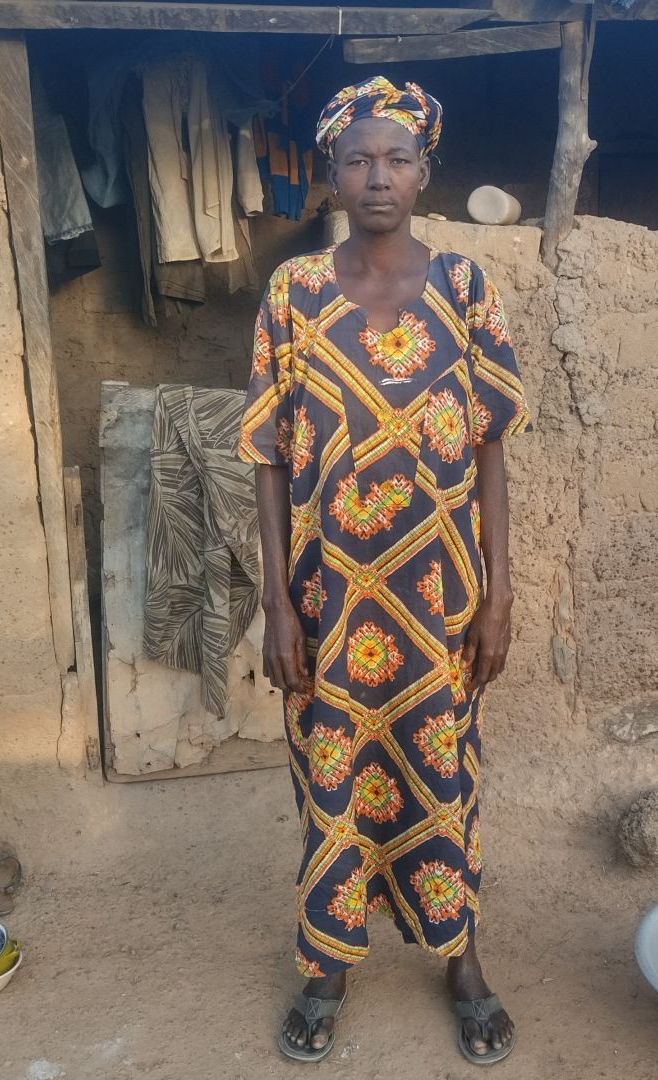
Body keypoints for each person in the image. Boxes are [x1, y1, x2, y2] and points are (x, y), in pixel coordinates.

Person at [237, 76, 532, 1066]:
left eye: (397, 158)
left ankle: (461, 961)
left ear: (424, 172)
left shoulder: (466, 288)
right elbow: (268, 456)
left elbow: (490, 447)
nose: (378, 176)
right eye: (358, 159)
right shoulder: (294, 293)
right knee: (332, 774)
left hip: (439, 597)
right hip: (330, 597)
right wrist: (277, 602)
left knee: (446, 770)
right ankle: (327, 963)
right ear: (331, 173)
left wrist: (498, 593)